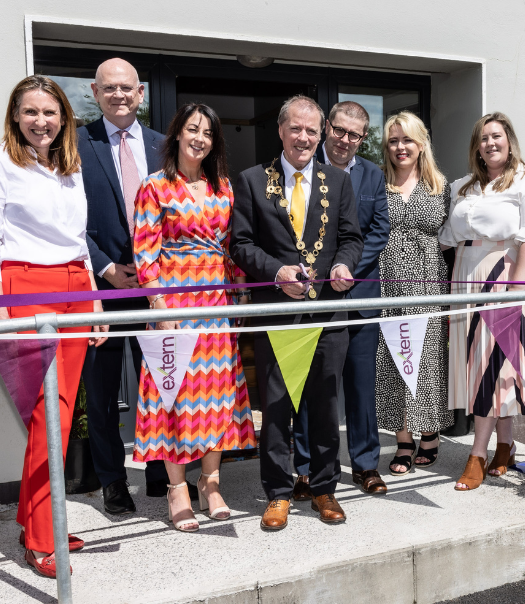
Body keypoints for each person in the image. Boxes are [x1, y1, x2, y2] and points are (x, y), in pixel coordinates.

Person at [0, 75, 108, 578]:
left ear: (63, 117)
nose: (41, 121)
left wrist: (93, 307)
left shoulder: (68, 168)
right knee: (47, 417)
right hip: (24, 290)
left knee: (61, 416)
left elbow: (77, 241)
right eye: (31, 112)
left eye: (50, 112)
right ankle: (43, 539)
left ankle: (37, 522)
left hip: (74, 289)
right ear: (15, 116)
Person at [230, 95, 363, 530]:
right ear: (281, 131)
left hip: (326, 312)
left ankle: (325, 489)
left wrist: (344, 264)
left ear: (320, 133)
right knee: (276, 406)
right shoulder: (251, 181)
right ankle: (278, 492)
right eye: (296, 129)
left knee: (325, 405)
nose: (303, 138)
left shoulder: (338, 181)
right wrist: (275, 271)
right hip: (279, 316)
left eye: (311, 130)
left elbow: (351, 237)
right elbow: (242, 244)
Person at [132, 102, 256, 532]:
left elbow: (232, 250)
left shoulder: (223, 187)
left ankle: (211, 481)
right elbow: (145, 255)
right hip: (175, 303)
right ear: (178, 135)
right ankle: (177, 488)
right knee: (175, 396)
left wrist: (238, 297)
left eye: (207, 132)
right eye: (192, 129)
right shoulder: (154, 187)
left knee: (217, 396)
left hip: (216, 305)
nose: (199, 137)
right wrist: (159, 308)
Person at [438, 112, 525, 491]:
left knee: (493, 368)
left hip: (503, 277)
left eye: (497, 136)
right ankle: (504, 446)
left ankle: (477, 454)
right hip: (465, 277)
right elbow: (445, 237)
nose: (490, 143)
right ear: (476, 146)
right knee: (486, 368)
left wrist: (515, 291)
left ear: (509, 141)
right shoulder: (462, 186)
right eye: (483, 138)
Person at [78, 57, 174, 514]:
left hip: (158, 288)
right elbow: (68, 222)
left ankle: (160, 472)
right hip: (102, 287)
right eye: (109, 88)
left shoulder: (164, 147)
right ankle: (113, 481)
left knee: (159, 381)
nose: (119, 95)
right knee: (100, 388)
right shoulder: (76, 145)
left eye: (127, 88)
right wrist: (106, 267)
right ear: (95, 94)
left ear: (141, 94)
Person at [291, 101, 390, 498]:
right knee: (313, 388)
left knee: (361, 390)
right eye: (339, 131)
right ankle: (307, 468)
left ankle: (366, 465)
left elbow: (379, 231)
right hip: (312, 299)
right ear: (327, 128)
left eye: (355, 135)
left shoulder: (373, 176)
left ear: (362, 139)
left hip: (359, 295)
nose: (345, 140)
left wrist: (344, 270)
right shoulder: (301, 170)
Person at [375, 111, 452, 476]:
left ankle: (429, 432)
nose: (400, 147)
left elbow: (454, 239)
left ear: (421, 143)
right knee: (392, 356)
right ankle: (402, 438)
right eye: (393, 140)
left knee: (427, 358)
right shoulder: (377, 183)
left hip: (428, 280)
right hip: (388, 280)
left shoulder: (441, 185)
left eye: (407, 139)